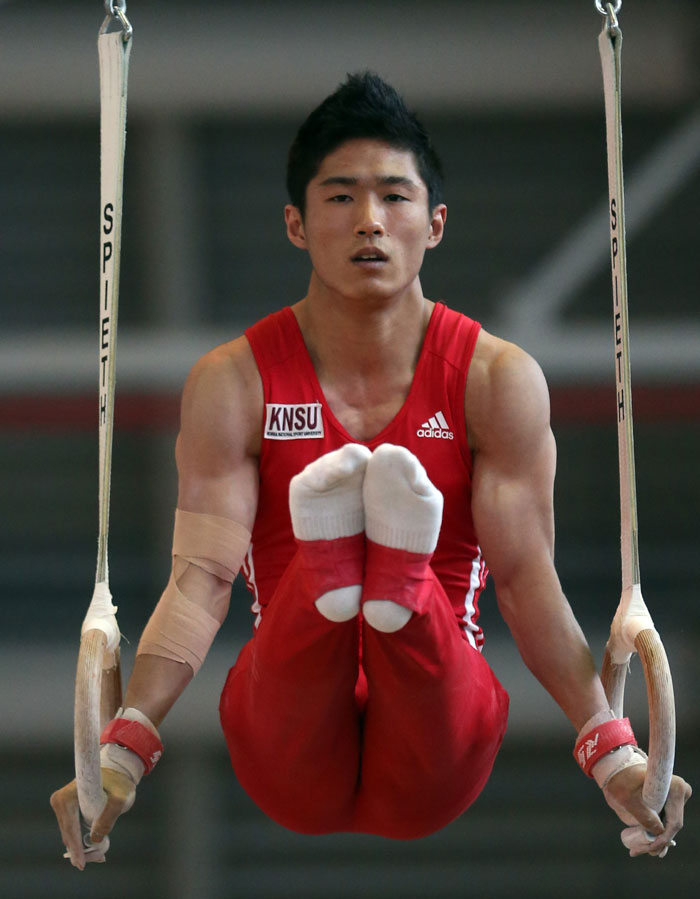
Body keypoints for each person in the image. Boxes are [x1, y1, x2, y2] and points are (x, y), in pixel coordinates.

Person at [51, 72, 690, 867]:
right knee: (290, 636)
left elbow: (527, 580)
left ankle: (395, 584)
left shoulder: (495, 379)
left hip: (438, 734)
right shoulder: (235, 380)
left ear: (436, 223)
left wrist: (611, 743)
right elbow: (202, 581)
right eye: (341, 197)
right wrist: (123, 745)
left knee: (428, 648)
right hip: (287, 731)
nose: (370, 222)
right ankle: (346, 579)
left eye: (394, 196)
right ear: (295, 222)